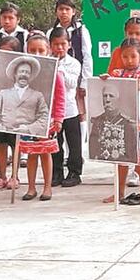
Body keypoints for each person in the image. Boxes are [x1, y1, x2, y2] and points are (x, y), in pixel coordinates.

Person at [101, 38, 140, 206]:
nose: (129, 61)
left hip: (138, 119)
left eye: (133, 56)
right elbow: (110, 88)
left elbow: (134, 87)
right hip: (119, 120)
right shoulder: (116, 73)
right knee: (120, 157)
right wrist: (105, 80)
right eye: (125, 57)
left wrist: (116, 84)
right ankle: (119, 192)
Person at [19, 32, 64, 202]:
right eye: (32, 50)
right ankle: (31, 188)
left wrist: (58, 118)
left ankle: (47, 187)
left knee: (45, 153)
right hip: (27, 120)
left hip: (48, 120)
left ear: (48, 51)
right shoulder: (21, 74)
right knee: (31, 154)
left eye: (40, 50)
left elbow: (60, 98)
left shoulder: (55, 73)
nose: (36, 54)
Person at [48, 0, 93, 130]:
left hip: (75, 75)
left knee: (79, 111)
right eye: (61, 9)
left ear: (73, 11)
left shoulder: (81, 30)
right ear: (56, 11)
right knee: (58, 109)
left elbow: (87, 56)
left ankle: (80, 144)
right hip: (56, 76)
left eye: (67, 9)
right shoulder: (51, 32)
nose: (64, 12)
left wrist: (84, 81)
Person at [0, 35, 22, 190]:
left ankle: (15, 176)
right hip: (0, 113)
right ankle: (2, 176)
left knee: (15, 145)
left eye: (9, 52)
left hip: (17, 113)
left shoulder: (21, 70)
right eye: (2, 51)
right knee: (1, 144)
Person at [49, 27, 84, 187]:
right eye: (56, 44)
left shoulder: (74, 63)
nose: (60, 48)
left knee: (74, 143)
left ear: (69, 44)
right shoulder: (47, 61)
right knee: (56, 142)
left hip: (70, 110)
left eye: (63, 44)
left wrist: (59, 69)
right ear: (50, 45)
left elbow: (71, 84)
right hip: (53, 112)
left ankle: (74, 172)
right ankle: (56, 172)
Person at [0, 54, 50, 136]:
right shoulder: (3, 93)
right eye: (21, 71)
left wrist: (29, 129)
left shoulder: (38, 95)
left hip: (27, 135)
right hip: (4, 133)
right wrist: (3, 129)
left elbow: (45, 117)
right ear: (15, 74)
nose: (24, 75)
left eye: (27, 72)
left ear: (30, 75)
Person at [89, 82, 138, 162]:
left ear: (118, 100)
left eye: (111, 96)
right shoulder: (97, 122)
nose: (107, 100)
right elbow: (92, 152)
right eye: (105, 96)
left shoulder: (128, 124)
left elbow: (131, 156)